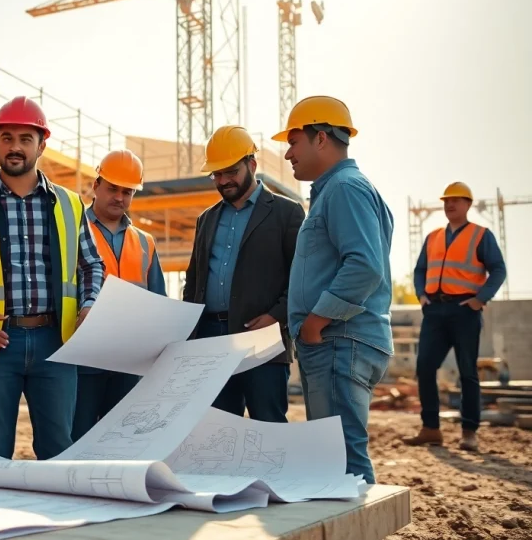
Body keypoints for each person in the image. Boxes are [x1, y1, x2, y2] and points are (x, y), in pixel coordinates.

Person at [0, 96, 105, 460]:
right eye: (6, 137)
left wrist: (88, 307)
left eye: (25, 139)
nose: (14, 147)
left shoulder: (70, 204)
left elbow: (92, 265)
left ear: (42, 145)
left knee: (59, 450)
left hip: (55, 341)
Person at [277, 96, 394, 485]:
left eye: (294, 141)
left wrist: (315, 322)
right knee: (333, 459)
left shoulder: (345, 189)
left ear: (321, 138)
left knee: (342, 461)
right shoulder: (339, 191)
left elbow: (364, 266)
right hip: (336, 340)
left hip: (339, 340)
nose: (288, 153)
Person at [183, 125, 305, 423]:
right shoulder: (206, 220)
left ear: (252, 164)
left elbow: (301, 279)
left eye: (230, 172)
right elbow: (194, 282)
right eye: (216, 174)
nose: (223, 181)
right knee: (219, 429)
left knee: (268, 424)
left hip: (262, 335)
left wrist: (277, 316)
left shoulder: (287, 214)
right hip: (211, 338)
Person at [403, 181, 506, 452]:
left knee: (467, 371)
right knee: (424, 366)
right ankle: (430, 429)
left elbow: (498, 270)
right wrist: (421, 296)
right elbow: (419, 270)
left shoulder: (481, 235)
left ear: (468, 205)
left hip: (464, 310)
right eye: (447, 200)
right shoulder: (433, 236)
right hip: (434, 310)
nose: (450, 204)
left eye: (456, 200)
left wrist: (480, 299)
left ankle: (469, 432)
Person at [71, 149, 165, 441]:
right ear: (95, 185)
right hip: (82, 361)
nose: (119, 197)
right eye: (112, 188)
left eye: (128, 191)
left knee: (121, 443)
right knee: (78, 440)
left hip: (128, 363)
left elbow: (157, 303)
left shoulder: (145, 242)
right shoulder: (71, 231)